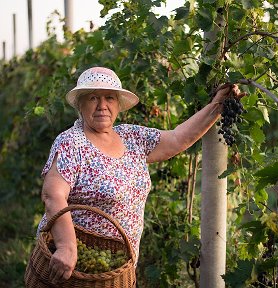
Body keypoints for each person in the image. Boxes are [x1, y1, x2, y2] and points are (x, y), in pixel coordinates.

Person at [36, 66, 245, 285]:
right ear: (80, 104)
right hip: (76, 269)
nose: (102, 106)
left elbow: (177, 139)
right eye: (93, 98)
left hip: (119, 269)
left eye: (109, 97)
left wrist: (217, 106)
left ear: (118, 104)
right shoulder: (71, 143)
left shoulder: (131, 137)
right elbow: (53, 196)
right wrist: (67, 247)